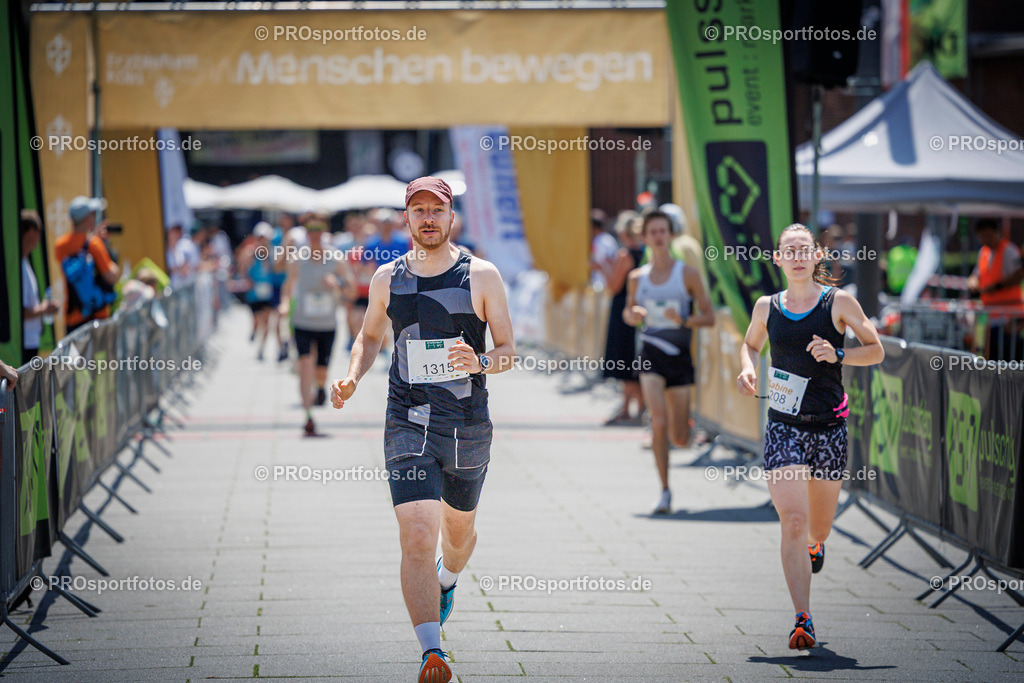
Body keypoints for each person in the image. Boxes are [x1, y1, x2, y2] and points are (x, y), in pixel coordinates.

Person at [330, 177, 515, 683]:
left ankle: (448, 578)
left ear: (451, 217)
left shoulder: (481, 274)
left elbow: (508, 352)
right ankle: (432, 652)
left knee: (458, 536)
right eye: (418, 210)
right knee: (416, 535)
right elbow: (369, 337)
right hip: (407, 420)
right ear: (406, 219)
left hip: (467, 426)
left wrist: (478, 359)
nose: (428, 218)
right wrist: (350, 376)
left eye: (437, 209)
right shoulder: (388, 278)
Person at [737, 223, 884, 650]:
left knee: (818, 527)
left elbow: (876, 349)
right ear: (778, 259)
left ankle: (816, 546)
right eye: (790, 250)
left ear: (817, 256)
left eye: (805, 249)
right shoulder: (767, 307)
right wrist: (748, 367)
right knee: (793, 522)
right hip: (783, 424)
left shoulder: (837, 302)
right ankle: (803, 619)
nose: (798, 256)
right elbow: (749, 344)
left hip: (829, 426)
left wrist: (839, 353)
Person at [623, 210, 714, 514]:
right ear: (645, 238)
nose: (659, 237)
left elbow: (709, 316)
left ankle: (685, 427)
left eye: (663, 231)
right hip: (651, 355)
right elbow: (628, 312)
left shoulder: (686, 274)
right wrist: (633, 315)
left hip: (680, 357)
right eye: (653, 232)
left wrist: (685, 319)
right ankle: (664, 490)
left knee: (680, 437)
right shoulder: (637, 277)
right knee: (658, 421)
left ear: (671, 235)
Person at [278, 215, 355, 437]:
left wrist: (337, 284)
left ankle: (321, 388)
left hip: (326, 323)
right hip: (302, 320)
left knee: (320, 371)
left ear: (325, 230)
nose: (314, 232)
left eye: (318, 228)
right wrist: (284, 305)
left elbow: (351, 290)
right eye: (310, 228)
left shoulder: (336, 258)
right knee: (304, 365)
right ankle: (307, 416)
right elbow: (287, 285)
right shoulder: (297, 258)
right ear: (305, 231)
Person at [602, 212, 645, 425]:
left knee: (625, 365)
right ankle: (630, 408)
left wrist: (603, 268)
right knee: (631, 364)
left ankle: (634, 408)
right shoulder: (643, 253)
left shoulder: (624, 255)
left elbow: (613, 286)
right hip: (637, 311)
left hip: (623, 312)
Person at [55, 196, 120, 332]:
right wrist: (104, 246)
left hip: (73, 316)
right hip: (97, 316)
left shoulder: (60, 245)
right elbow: (112, 276)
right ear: (87, 218)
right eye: (93, 214)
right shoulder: (94, 244)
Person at [967, 218, 1024, 361]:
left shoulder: (1009, 250)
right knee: (991, 356)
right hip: (990, 317)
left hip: (1008, 317)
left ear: (997, 233)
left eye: (988, 235)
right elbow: (976, 275)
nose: (985, 239)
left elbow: (1018, 275)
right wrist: (973, 282)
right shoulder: (984, 252)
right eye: (982, 236)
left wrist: (998, 287)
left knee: (1008, 358)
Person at [20, 210, 58, 365]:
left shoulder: (24, 262)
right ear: (30, 231)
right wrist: (45, 309)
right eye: (39, 231)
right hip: (25, 341)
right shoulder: (19, 267)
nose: (40, 237)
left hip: (31, 340)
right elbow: (22, 312)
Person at [240, 223, 276, 360]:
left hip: (267, 290)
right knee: (256, 320)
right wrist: (246, 279)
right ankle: (254, 331)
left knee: (267, 322)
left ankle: (262, 349)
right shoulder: (250, 252)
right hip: (254, 292)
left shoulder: (271, 252)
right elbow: (242, 268)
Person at [166, 223, 201, 289]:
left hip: (183, 285)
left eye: (179, 231)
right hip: (172, 286)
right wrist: (180, 268)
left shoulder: (180, 248)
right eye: (176, 231)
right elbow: (168, 269)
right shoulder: (166, 250)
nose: (178, 234)